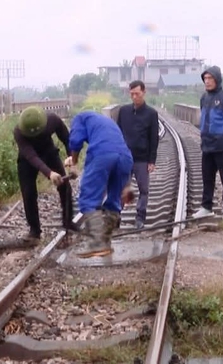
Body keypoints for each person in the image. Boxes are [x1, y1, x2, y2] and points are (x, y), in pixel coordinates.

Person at [64, 111, 133, 258]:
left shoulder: (79, 118)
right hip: (126, 157)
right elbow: (117, 148)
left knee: (88, 199)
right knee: (114, 202)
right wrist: (127, 184)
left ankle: (96, 243)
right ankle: (105, 243)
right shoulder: (108, 123)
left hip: (102, 155)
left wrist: (73, 160)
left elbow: (76, 141)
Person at [13, 106, 77, 242]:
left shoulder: (52, 119)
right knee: (28, 193)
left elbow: (67, 139)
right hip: (27, 160)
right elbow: (31, 156)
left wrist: (72, 159)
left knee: (64, 186)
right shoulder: (18, 132)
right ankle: (34, 230)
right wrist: (49, 173)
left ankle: (68, 222)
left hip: (49, 151)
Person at [192, 66, 223, 221]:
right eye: (205, 79)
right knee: (207, 177)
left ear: (217, 79)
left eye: (210, 78)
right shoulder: (204, 98)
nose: (207, 82)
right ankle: (206, 207)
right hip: (207, 144)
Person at [115, 80, 159, 229]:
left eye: (137, 94)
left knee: (143, 190)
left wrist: (152, 160)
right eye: (132, 94)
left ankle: (140, 217)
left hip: (142, 159)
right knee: (122, 187)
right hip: (125, 158)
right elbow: (117, 133)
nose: (134, 97)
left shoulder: (151, 114)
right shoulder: (124, 111)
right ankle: (116, 216)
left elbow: (154, 138)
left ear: (144, 93)